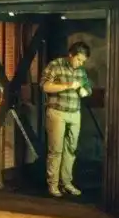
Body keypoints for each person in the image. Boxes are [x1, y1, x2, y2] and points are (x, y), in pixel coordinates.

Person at [39, 41, 92, 198]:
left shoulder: (81, 70)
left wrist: (84, 91)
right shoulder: (56, 65)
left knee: (71, 149)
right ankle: (53, 184)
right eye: (79, 59)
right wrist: (68, 85)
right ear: (70, 55)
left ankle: (66, 183)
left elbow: (88, 89)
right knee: (56, 150)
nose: (80, 63)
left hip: (75, 113)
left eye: (83, 61)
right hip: (57, 112)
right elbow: (45, 86)